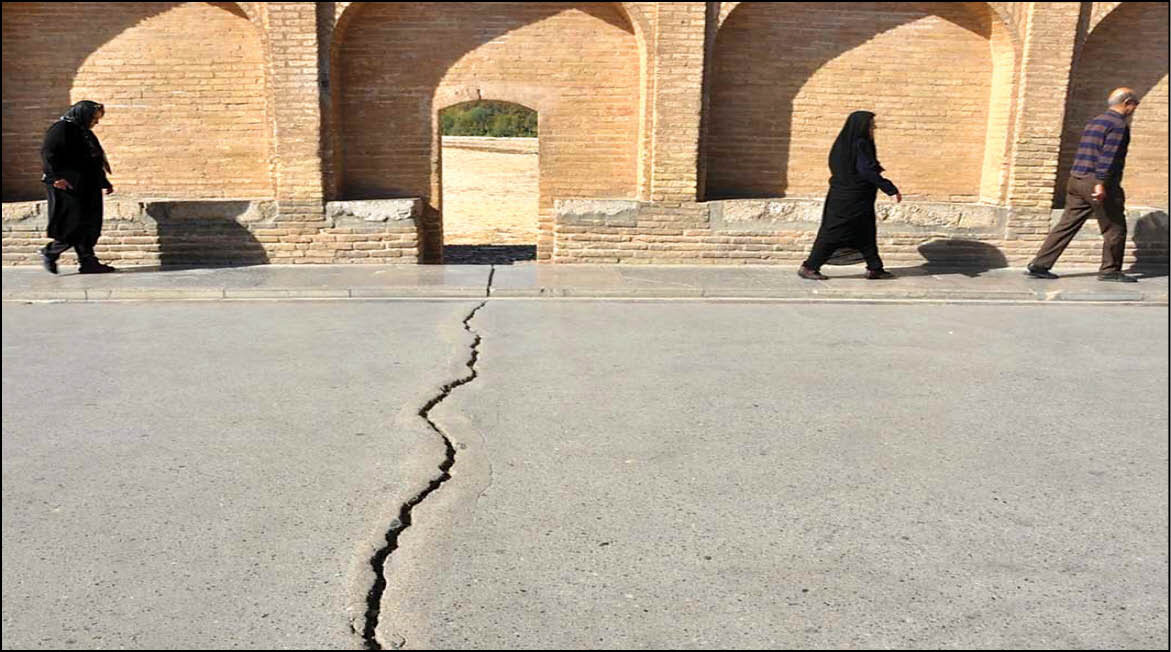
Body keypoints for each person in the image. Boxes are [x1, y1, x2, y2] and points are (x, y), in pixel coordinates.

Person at [1027, 87, 1140, 283]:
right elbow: (1108, 156)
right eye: (1134, 104)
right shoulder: (1118, 125)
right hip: (1098, 183)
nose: (1135, 108)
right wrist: (1100, 184)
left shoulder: (1095, 122)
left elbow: (1087, 152)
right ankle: (1110, 270)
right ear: (1127, 102)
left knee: (1067, 224)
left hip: (1077, 179)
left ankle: (1040, 264)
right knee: (1115, 227)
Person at [798, 110, 902, 281]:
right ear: (862, 126)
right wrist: (889, 188)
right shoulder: (860, 143)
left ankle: (875, 268)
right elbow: (866, 170)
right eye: (871, 125)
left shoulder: (842, 144)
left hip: (847, 195)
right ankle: (810, 266)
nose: (874, 127)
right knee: (833, 232)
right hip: (851, 199)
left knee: (865, 231)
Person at [38, 100, 116, 274]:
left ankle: (88, 261)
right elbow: (48, 153)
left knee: (90, 224)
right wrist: (55, 177)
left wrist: (104, 182)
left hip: (88, 185)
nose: (95, 122)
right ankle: (51, 251)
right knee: (72, 224)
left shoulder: (83, 132)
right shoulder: (62, 128)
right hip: (68, 186)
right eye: (93, 118)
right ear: (83, 114)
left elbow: (93, 159)